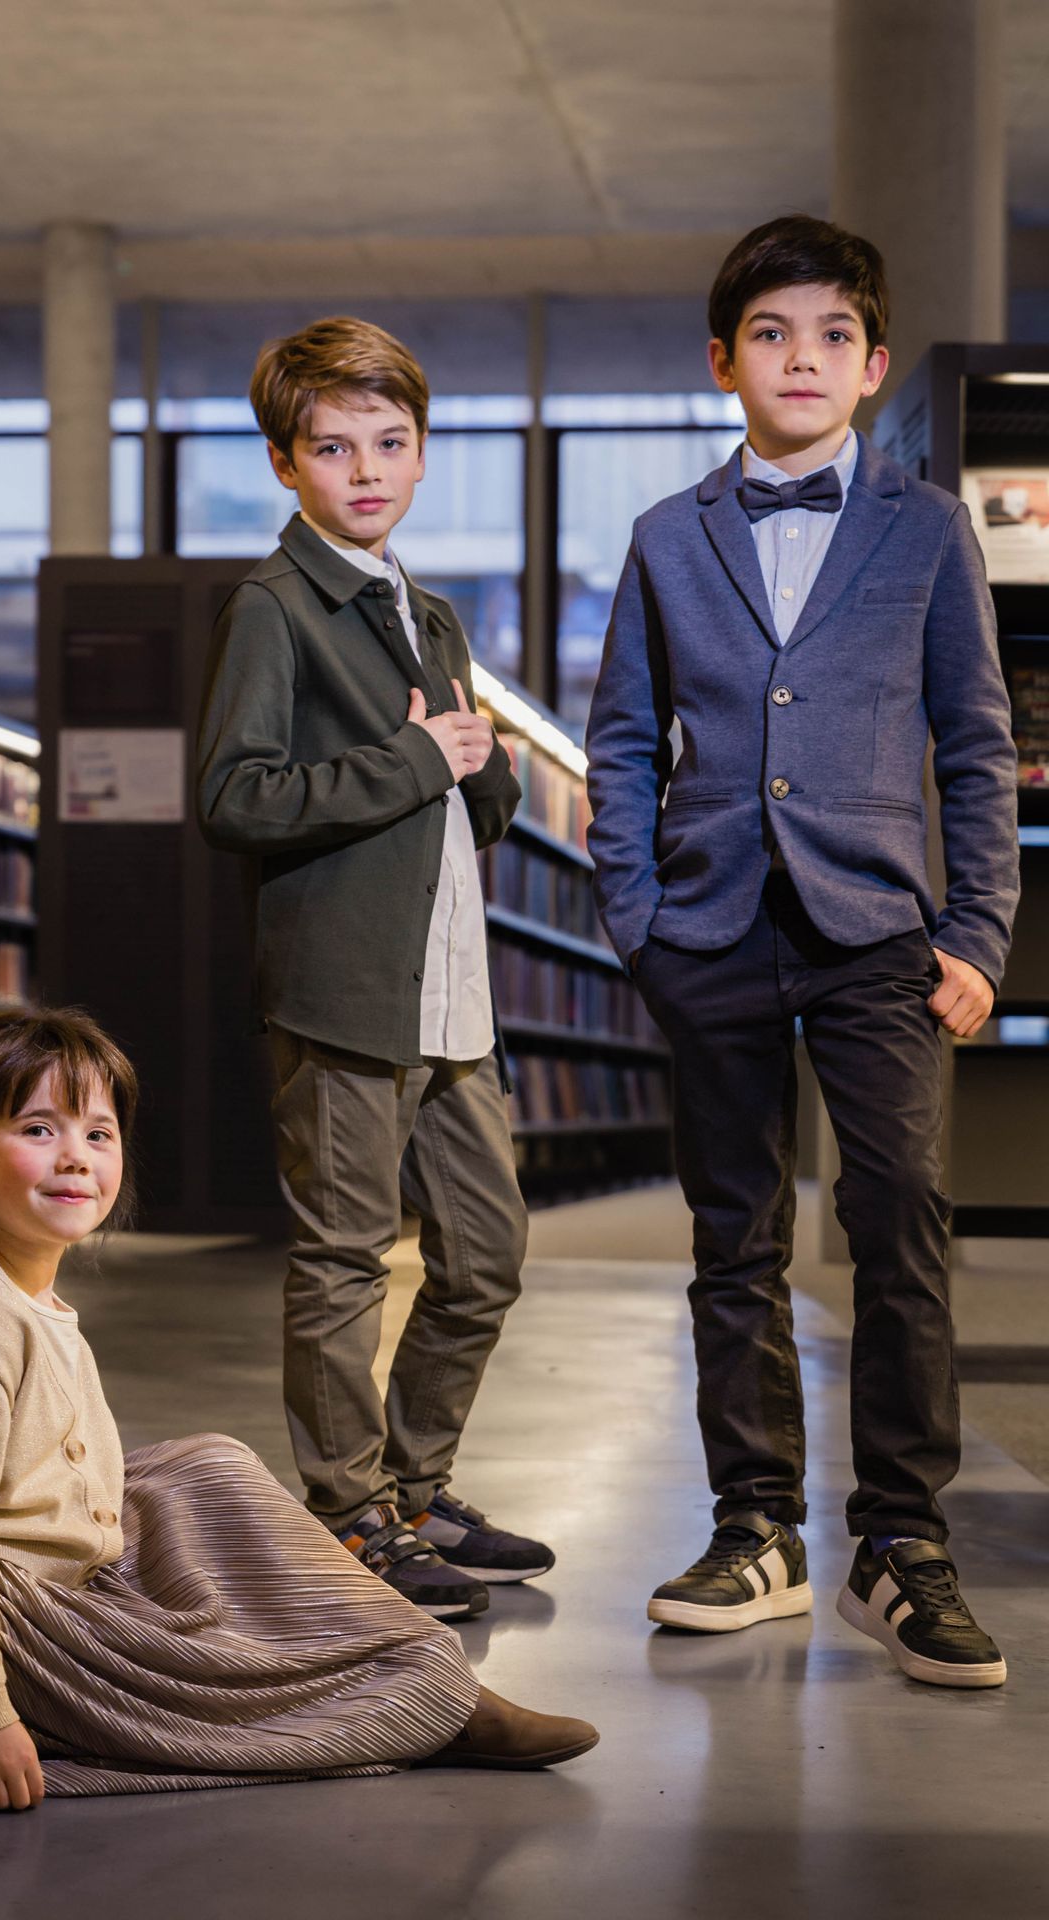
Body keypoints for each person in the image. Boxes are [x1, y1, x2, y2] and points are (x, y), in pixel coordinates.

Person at [585, 215, 1019, 1689]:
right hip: (707, 932)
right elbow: (625, 744)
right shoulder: (663, 539)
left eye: (833, 335)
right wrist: (637, 923)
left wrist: (976, 932)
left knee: (901, 1229)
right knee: (736, 1242)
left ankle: (901, 1543)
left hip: (880, 938)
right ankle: (754, 1525)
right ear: (724, 363)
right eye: (772, 334)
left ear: (875, 365)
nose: (802, 358)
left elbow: (977, 744)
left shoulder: (923, 528)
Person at [0, 1008, 598, 1808]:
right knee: (226, 1692)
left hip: (38, 1579)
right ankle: (422, 1708)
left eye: (97, 1134)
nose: (74, 1160)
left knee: (207, 1468)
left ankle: (422, 1674)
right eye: (37, 1129)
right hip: (0, 1619)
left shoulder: (17, 1285)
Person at [196, 317, 552, 1622]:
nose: (368, 470)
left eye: (391, 443)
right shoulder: (275, 607)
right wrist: (418, 761)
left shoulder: (433, 610)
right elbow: (234, 795)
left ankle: (416, 1485)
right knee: (346, 1259)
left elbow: (482, 797)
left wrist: (481, 763)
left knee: (486, 1254)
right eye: (334, 447)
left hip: (451, 989)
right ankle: (348, 1516)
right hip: (344, 990)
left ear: (421, 453)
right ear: (286, 465)